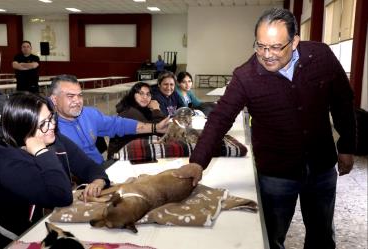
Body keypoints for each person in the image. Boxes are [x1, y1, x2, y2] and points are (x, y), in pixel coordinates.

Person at [173, 8, 356, 249]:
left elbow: (342, 100)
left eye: (276, 47)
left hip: (321, 165)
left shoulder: (320, 56)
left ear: (295, 41)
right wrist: (198, 161)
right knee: (270, 237)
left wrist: (347, 146)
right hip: (276, 174)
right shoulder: (245, 76)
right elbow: (220, 118)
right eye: (260, 46)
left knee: (321, 236)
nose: (266, 55)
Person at [0, 93, 110, 249]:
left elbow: (88, 166)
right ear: (23, 129)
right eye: (43, 123)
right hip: (10, 236)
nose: (52, 125)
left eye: (51, 117)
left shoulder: (52, 137)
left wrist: (98, 179)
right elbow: (61, 196)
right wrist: (42, 153)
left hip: (43, 222)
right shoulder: (6, 163)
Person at [49, 74, 169, 165]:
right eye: (70, 96)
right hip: (79, 179)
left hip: (101, 168)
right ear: (54, 99)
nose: (77, 100)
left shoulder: (89, 113)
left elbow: (118, 124)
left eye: (80, 95)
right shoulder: (47, 127)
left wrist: (155, 127)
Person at [107, 82, 167, 157]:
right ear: (133, 95)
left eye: (148, 94)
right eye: (141, 93)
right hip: (119, 158)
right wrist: (156, 109)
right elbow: (160, 129)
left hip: (131, 152)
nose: (145, 97)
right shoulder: (129, 112)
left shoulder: (143, 110)